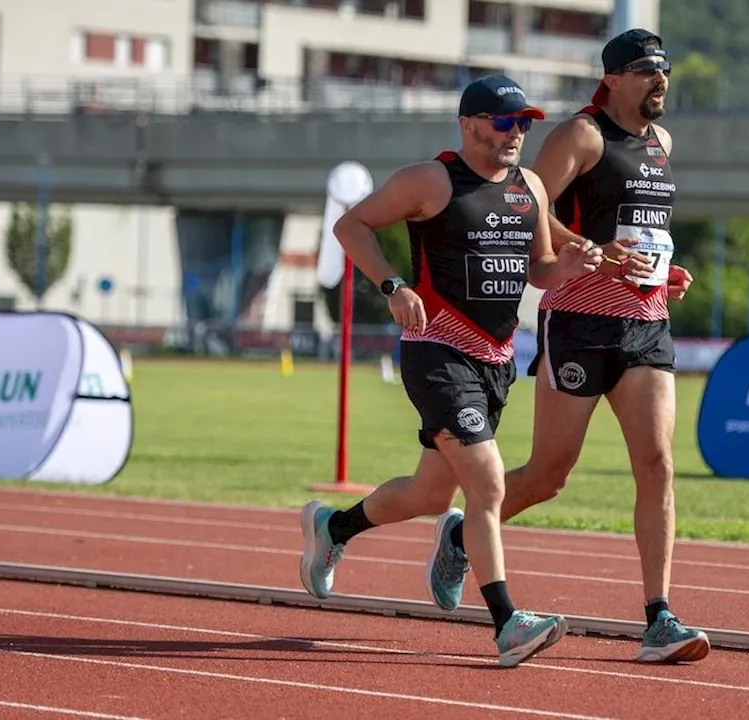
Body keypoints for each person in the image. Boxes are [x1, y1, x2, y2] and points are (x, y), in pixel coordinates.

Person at [298, 74, 605, 668]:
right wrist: (392, 286)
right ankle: (508, 623)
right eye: (504, 122)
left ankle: (333, 529)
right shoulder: (430, 180)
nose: (516, 133)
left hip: (495, 360)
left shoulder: (532, 188)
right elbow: (350, 226)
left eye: (524, 123)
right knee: (486, 483)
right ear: (469, 125)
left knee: (428, 492)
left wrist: (566, 265)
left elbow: (537, 269)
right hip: (436, 350)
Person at [428, 29, 709, 664]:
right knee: (551, 474)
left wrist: (664, 270)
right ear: (612, 80)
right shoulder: (580, 137)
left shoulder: (662, 143)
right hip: (578, 321)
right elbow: (524, 204)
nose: (659, 81)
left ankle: (658, 617)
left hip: (645, 321)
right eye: (644, 71)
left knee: (658, 463)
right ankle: (462, 536)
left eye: (664, 70)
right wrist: (583, 250)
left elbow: (643, 230)